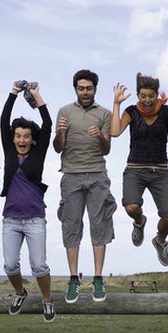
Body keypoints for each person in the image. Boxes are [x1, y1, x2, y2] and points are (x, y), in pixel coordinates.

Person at [109, 73, 168, 266]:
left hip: (160, 171)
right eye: (143, 96)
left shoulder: (167, 112)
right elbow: (114, 132)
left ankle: (160, 241)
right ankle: (139, 222)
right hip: (135, 170)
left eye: (151, 96)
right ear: (138, 95)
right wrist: (116, 104)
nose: (147, 100)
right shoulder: (131, 111)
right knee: (131, 207)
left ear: (156, 95)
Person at [53, 69, 115, 304]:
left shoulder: (104, 114)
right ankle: (73, 279)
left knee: (99, 225)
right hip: (71, 176)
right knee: (71, 227)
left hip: (98, 174)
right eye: (81, 88)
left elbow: (106, 149)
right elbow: (58, 147)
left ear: (95, 89)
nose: (85, 91)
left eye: (89, 88)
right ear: (75, 89)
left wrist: (99, 134)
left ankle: (98, 278)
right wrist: (61, 132)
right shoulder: (64, 112)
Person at [0, 81, 55, 322]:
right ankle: (20, 292)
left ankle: (47, 300)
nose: (22, 140)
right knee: (10, 266)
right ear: (13, 139)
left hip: (35, 220)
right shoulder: (10, 152)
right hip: (11, 220)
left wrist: (36, 95)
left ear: (33, 140)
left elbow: (48, 124)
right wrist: (13, 93)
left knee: (39, 267)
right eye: (18, 136)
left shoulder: (38, 154)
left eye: (26, 137)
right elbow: (4, 121)